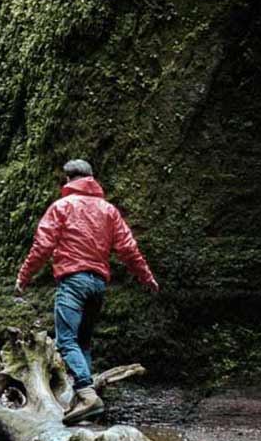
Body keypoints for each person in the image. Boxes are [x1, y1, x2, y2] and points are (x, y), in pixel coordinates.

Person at [15, 159, 158, 426]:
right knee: (83, 343)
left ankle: (87, 393)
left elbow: (42, 245)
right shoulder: (108, 210)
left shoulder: (62, 207)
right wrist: (146, 277)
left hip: (73, 282)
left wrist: (23, 277)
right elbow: (128, 248)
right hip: (98, 285)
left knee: (66, 341)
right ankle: (83, 401)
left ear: (68, 180)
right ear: (91, 179)